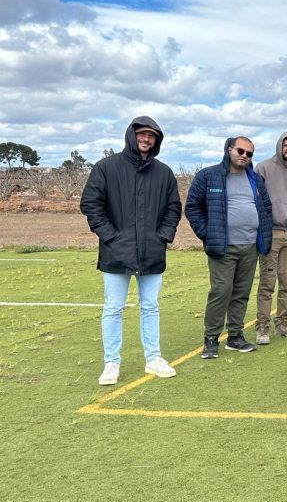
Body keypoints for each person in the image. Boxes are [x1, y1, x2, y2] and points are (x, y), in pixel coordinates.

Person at [80, 116, 182, 385]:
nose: (146, 139)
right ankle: (111, 363)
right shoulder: (106, 167)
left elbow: (173, 208)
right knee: (113, 308)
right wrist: (111, 237)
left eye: (152, 135)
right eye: (142, 134)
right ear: (131, 135)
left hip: (152, 252)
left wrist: (162, 237)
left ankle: (153, 358)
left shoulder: (164, 173)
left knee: (150, 306)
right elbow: (91, 204)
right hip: (115, 252)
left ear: (156, 140)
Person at [185, 136, 273, 358]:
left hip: (250, 246)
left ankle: (235, 336)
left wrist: (263, 234)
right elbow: (192, 207)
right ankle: (211, 339)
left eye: (249, 153)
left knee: (241, 293)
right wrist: (208, 233)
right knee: (221, 291)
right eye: (240, 151)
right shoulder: (208, 176)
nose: (244, 156)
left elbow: (266, 208)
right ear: (229, 149)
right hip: (223, 247)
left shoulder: (255, 179)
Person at [254, 131, 287, 344]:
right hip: (270, 233)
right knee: (267, 283)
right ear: (280, 145)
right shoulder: (263, 168)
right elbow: (255, 200)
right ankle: (262, 327)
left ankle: (282, 323)